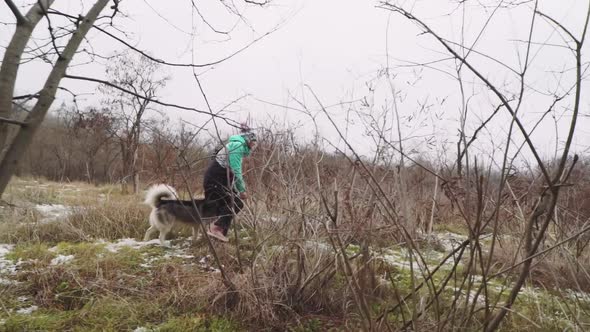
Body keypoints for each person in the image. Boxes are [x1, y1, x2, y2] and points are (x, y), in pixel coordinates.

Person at [204, 130, 257, 242]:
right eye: (253, 142)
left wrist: (233, 189)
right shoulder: (238, 146)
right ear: (247, 139)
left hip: (217, 180)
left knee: (226, 208)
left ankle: (218, 239)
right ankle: (215, 229)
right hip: (215, 180)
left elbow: (230, 173)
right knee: (236, 203)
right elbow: (236, 170)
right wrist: (241, 190)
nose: (254, 145)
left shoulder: (235, 145)